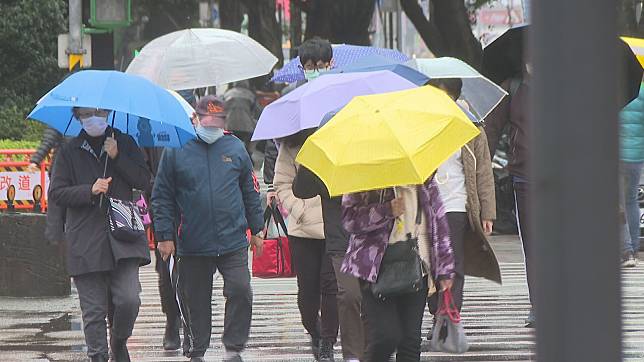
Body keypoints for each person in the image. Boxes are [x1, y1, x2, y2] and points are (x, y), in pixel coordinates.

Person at [151, 95, 264, 362]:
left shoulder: (235, 147)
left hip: (232, 238)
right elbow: (162, 196)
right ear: (196, 119)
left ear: (224, 122)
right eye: (207, 121)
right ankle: (197, 350)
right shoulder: (177, 149)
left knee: (240, 289)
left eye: (217, 122)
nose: (211, 127)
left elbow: (250, 189)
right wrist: (165, 236)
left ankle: (233, 347)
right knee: (195, 300)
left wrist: (257, 228)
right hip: (192, 241)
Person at [49, 107, 152, 362]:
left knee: (129, 299)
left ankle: (118, 341)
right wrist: (89, 190)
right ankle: (98, 356)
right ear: (77, 116)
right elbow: (57, 193)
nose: (93, 117)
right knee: (93, 313)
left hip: (123, 236)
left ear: (107, 112)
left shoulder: (125, 142)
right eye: (86, 113)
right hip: (85, 240)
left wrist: (117, 157)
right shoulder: (68, 151)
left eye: (98, 112)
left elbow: (144, 180)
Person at [341, 178, 455, 362]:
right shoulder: (365, 175)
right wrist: (386, 210)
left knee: (410, 341)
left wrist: (445, 268)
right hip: (375, 269)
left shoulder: (424, 178)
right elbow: (349, 221)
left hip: (417, 266)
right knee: (386, 337)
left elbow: (439, 222)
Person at [426, 79, 501, 336]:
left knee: (455, 264)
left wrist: (487, 213)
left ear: (455, 97)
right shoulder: (423, 124)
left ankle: (447, 317)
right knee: (431, 264)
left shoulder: (472, 128)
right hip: (428, 206)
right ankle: (436, 309)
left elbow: (483, 172)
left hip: (458, 204)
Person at [274, 128, 339, 361]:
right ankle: (315, 330)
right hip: (302, 232)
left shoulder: (337, 137)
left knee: (331, 287)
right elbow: (281, 184)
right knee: (308, 291)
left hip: (333, 227)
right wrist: (299, 209)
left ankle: (328, 343)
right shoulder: (290, 146)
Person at [485, 63, 534, 326]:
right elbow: (491, 131)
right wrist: (483, 172)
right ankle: (538, 304)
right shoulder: (512, 88)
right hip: (524, 178)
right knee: (533, 245)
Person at [263, 37, 334, 205]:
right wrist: (271, 185)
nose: (316, 71)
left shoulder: (340, 94)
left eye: (321, 66)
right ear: (302, 68)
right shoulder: (291, 98)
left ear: (330, 64)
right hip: (300, 179)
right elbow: (275, 141)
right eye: (310, 67)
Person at [619, 83, 644, 267]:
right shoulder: (642, 89)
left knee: (617, 203)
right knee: (631, 201)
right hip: (636, 156)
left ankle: (626, 251)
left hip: (616, 155)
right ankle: (634, 248)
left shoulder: (613, 91)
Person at [223, 80, 261, 157]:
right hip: (246, 128)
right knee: (257, 132)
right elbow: (256, 111)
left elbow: (222, 109)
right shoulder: (250, 95)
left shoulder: (227, 94)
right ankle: (249, 152)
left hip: (229, 126)